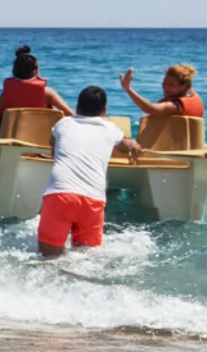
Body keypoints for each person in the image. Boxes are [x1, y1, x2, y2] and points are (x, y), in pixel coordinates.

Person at [38, 86, 141, 258]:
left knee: (47, 259)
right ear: (104, 110)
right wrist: (134, 145)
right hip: (92, 199)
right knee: (84, 261)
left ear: (77, 107)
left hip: (60, 195)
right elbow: (125, 147)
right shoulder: (111, 129)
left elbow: (53, 143)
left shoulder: (63, 124)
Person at [0, 45, 74, 137]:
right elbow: (71, 115)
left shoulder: (5, 93)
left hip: (12, 142)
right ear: (35, 72)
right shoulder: (47, 92)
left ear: (14, 71)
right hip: (42, 143)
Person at [119, 63, 204, 119]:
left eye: (171, 85)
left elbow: (151, 109)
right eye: (164, 82)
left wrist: (128, 89)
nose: (165, 87)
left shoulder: (176, 106)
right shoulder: (190, 93)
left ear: (184, 86)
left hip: (178, 145)